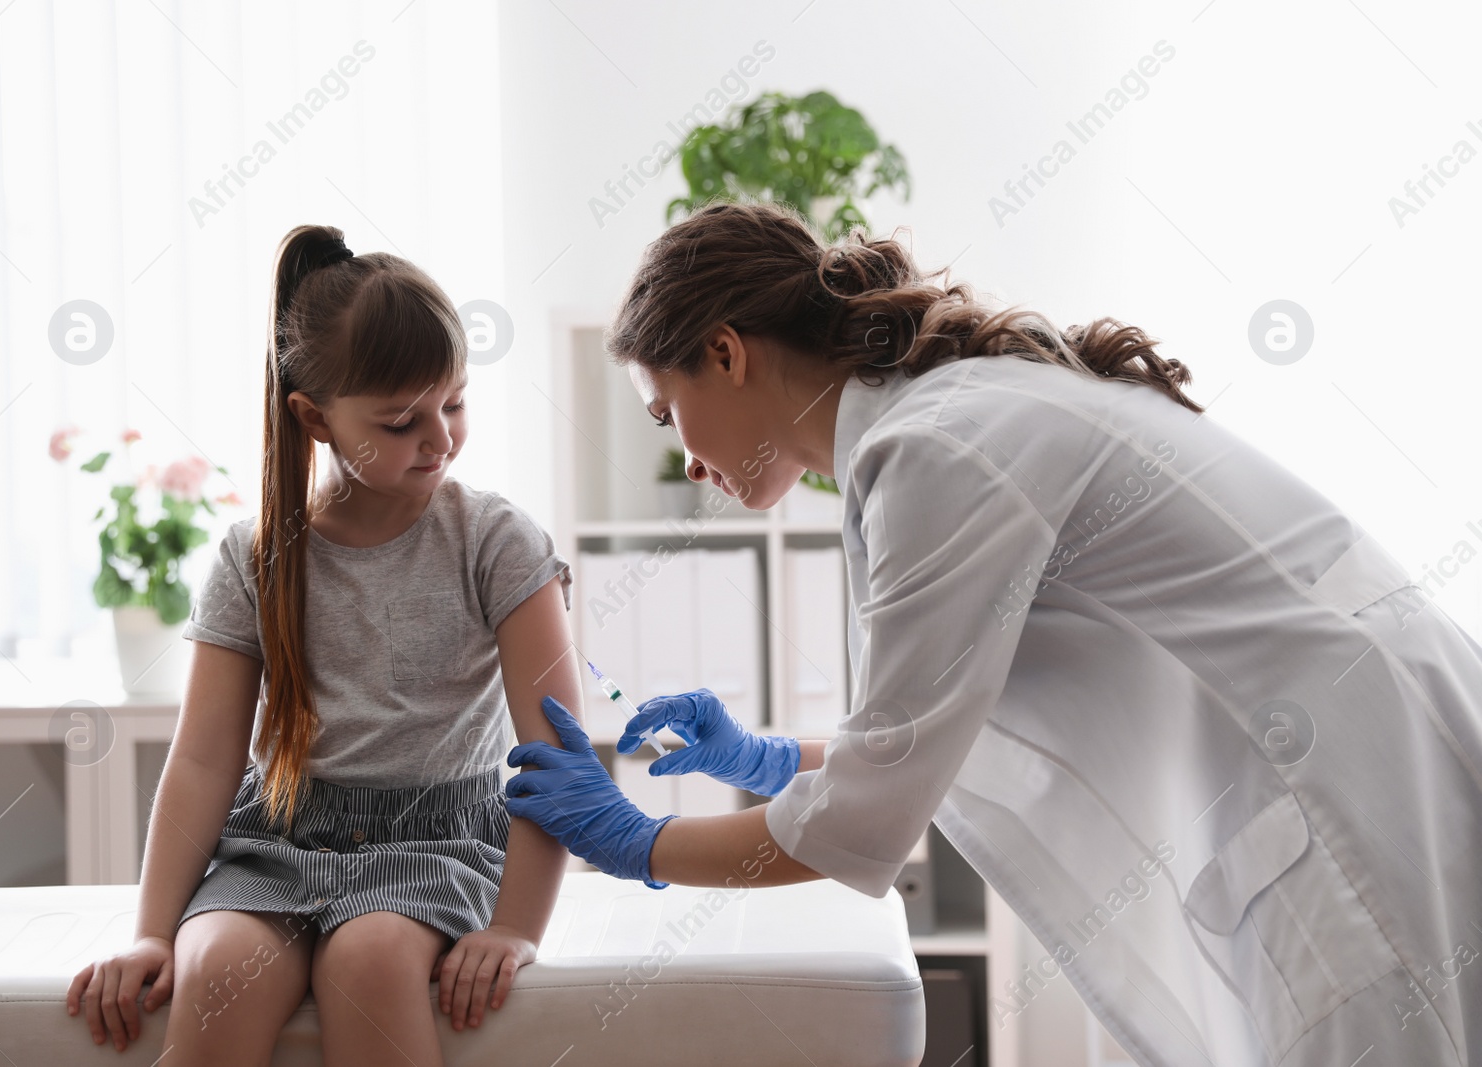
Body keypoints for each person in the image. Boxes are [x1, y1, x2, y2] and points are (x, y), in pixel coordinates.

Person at [502, 200, 1482, 1064]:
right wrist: (773, 757)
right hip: (1358, 741)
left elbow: (862, 815)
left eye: (667, 413)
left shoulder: (931, 451)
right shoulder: (949, 415)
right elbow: (933, 727)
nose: (686, 460)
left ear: (726, 350)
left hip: (1340, 777)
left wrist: (638, 839)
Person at [65, 225, 578, 1065]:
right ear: (315, 418)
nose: (441, 438)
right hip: (276, 838)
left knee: (370, 963)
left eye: (454, 402)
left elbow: (554, 747)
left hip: (437, 839)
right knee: (217, 968)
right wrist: (154, 934)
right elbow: (202, 759)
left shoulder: (496, 541)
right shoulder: (253, 556)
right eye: (403, 420)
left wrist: (517, 926)